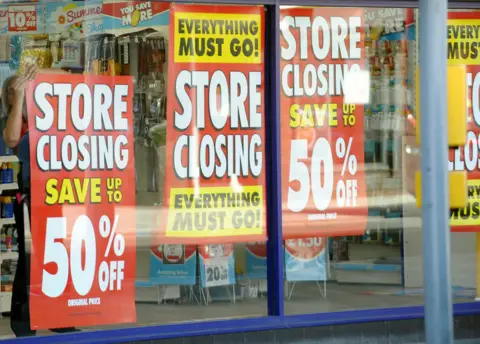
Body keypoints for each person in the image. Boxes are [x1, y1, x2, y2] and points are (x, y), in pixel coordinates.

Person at [2, 64, 78, 337]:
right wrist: (20, 94)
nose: (21, 89)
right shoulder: (14, 122)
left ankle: (58, 315)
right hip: (27, 194)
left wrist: (41, 73)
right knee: (28, 258)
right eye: (15, 89)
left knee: (58, 252)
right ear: (9, 95)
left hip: (56, 192)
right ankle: (24, 322)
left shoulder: (45, 115)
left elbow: (69, 77)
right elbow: (11, 139)